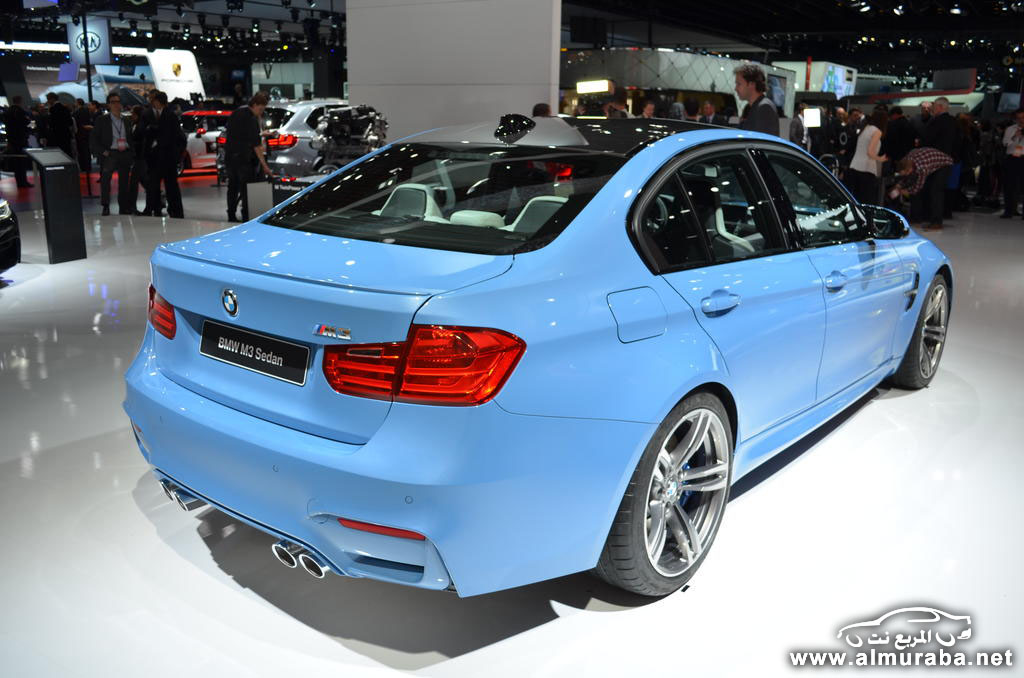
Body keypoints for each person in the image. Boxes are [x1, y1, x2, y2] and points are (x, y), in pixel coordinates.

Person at [224, 91, 275, 222]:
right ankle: (246, 216)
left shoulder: (236, 112)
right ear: (255, 105)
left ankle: (231, 214)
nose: (261, 113)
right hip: (244, 160)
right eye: (260, 109)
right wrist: (265, 166)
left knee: (232, 187)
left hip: (230, 157)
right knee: (246, 189)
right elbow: (256, 146)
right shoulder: (251, 118)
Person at [141, 90, 185, 218]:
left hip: (168, 157)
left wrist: (176, 155)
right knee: (153, 185)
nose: (152, 102)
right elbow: (142, 131)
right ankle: (154, 208)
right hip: (153, 157)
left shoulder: (171, 116)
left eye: (154, 100)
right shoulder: (147, 114)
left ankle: (175, 210)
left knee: (171, 185)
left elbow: (178, 137)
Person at [90, 92, 135, 216]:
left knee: (124, 182)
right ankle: (105, 206)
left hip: (124, 153)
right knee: (105, 181)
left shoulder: (126, 120)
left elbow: (130, 138)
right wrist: (103, 152)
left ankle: (123, 207)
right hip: (110, 154)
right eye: (113, 102)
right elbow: (94, 139)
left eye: (118, 102)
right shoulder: (102, 120)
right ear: (108, 105)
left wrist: (131, 152)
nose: (116, 104)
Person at [919, 96, 959, 229]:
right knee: (937, 189)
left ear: (940, 107)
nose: (932, 109)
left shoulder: (938, 121)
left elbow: (928, 137)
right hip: (946, 159)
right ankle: (934, 218)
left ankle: (935, 220)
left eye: (934, 107)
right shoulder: (953, 121)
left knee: (935, 190)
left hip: (935, 160)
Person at [892, 147, 954, 225]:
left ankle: (936, 222)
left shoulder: (921, 168)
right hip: (930, 161)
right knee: (925, 189)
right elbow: (907, 177)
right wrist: (898, 185)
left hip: (945, 164)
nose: (906, 175)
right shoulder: (907, 159)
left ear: (909, 169)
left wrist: (905, 191)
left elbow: (917, 188)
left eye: (906, 173)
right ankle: (920, 218)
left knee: (936, 191)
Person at [846, 109, 888, 204]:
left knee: (856, 199)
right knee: (866, 200)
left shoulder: (866, 128)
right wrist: (880, 158)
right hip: (866, 169)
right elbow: (870, 152)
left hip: (855, 166)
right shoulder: (877, 131)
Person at [734, 64, 779, 136]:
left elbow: (761, 140)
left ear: (752, 84)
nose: (735, 88)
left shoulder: (764, 107)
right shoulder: (754, 106)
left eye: (738, 84)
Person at [4, 96, 33, 188]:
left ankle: (19, 182)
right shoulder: (20, 111)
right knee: (22, 162)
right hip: (21, 139)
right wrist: (31, 127)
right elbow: (27, 123)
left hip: (12, 140)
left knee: (16, 162)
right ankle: (23, 182)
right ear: (20, 101)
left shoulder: (8, 111)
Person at [1000, 108, 1024, 219]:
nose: (1021, 120)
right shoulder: (1011, 129)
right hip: (1012, 158)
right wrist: (1015, 136)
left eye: (1023, 117)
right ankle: (1009, 210)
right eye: (1019, 118)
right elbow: (1005, 143)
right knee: (1010, 185)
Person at [128, 105, 149, 212]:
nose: (131, 115)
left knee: (134, 182)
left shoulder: (141, 126)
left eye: (133, 113)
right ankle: (158, 199)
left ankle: (132, 206)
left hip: (140, 157)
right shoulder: (136, 125)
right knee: (144, 181)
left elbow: (140, 141)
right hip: (139, 157)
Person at [45, 92, 75, 157]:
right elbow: (70, 122)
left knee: (58, 155)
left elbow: (51, 123)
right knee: (67, 153)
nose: (48, 101)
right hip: (66, 134)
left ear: (52, 99)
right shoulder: (65, 108)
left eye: (48, 99)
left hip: (57, 136)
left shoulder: (52, 109)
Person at [73, 98, 97, 175]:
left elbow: (77, 123)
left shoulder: (77, 112)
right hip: (86, 133)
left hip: (80, 133)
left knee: (82, 151)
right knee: (86, 150)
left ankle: (84, 166)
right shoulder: (87, 111)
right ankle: (87, 166)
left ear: (78, 103)